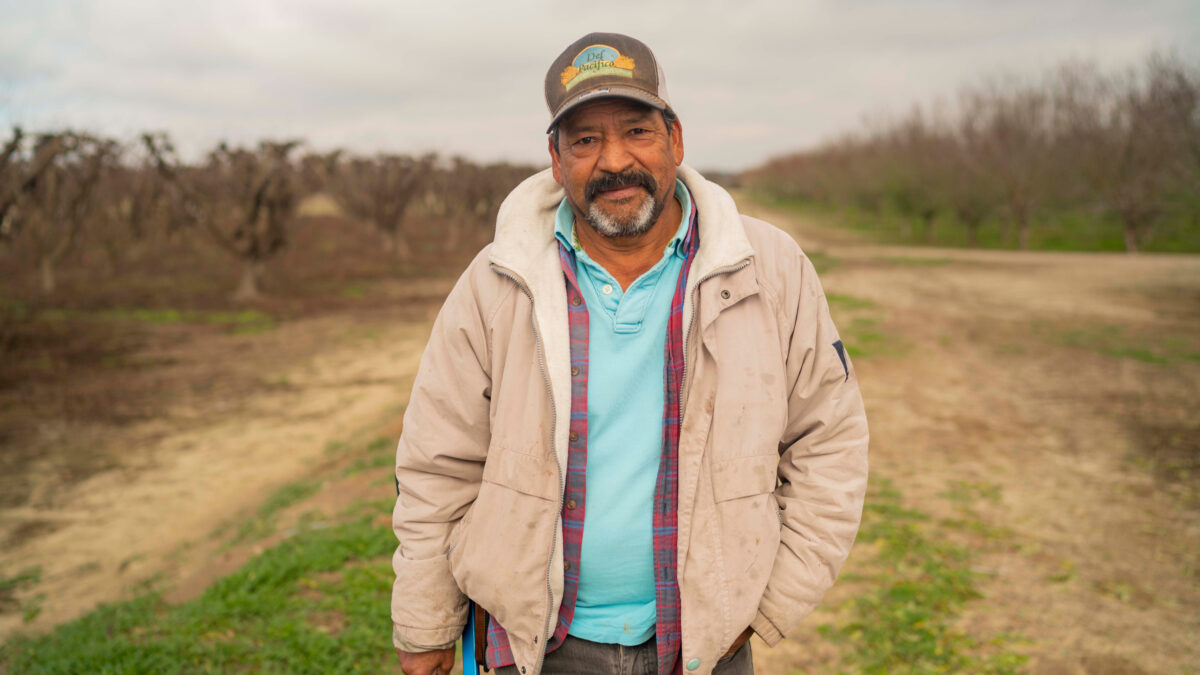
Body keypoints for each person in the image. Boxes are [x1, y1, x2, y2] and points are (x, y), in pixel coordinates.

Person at [391, 32, 868, 675]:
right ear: (556, 161)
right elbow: (436, 465)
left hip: (703, 649)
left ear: (675, 139)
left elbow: (829, 444)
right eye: (584, 140)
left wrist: (764, 604)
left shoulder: (770, 269)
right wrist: (426, 625)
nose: (614, 160)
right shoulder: (496, 281)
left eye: (637, 131)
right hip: (532, 646)